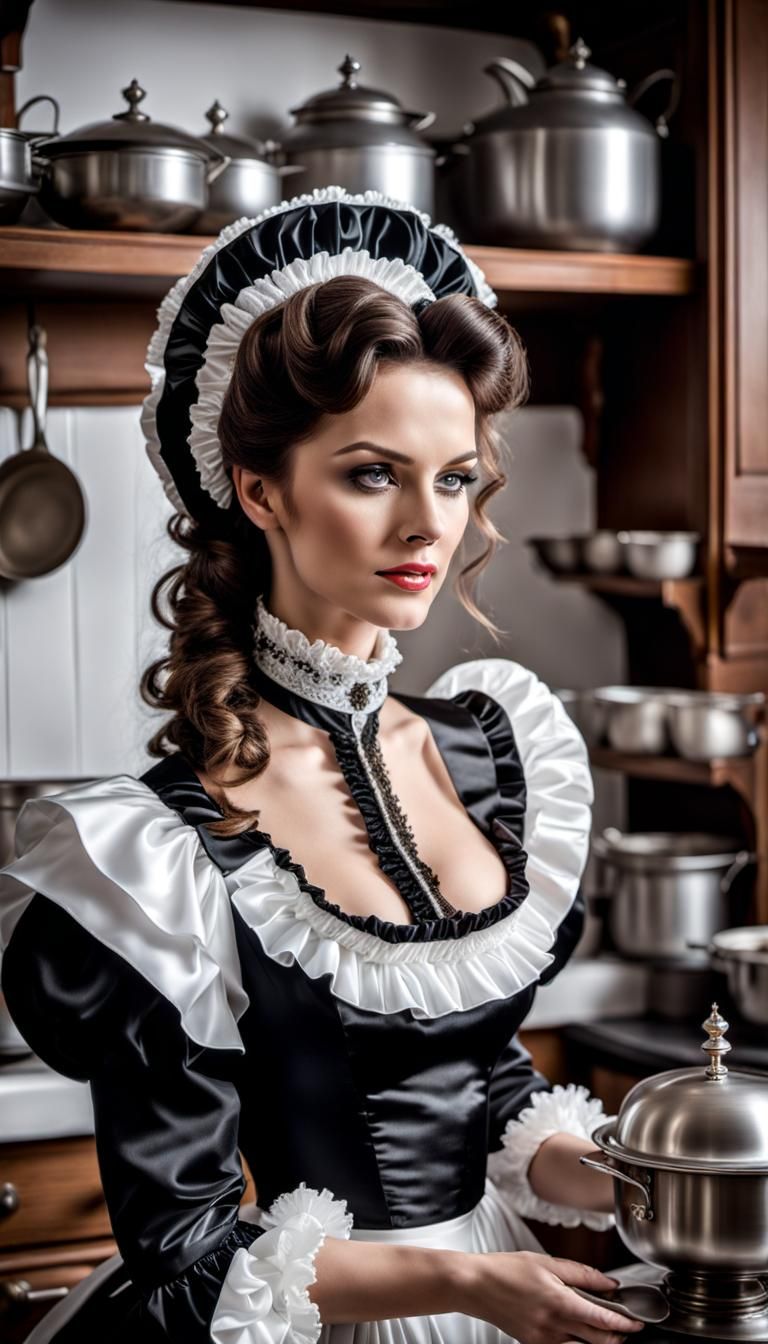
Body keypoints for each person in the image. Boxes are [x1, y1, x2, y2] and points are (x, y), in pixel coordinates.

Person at [0, 187, 641, 1344]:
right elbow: (186, 1259)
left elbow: (472, 1076)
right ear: (259, 491)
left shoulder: (492, 755)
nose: (427, 526)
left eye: (453, 478)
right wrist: (456, 1284)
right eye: (369, 473)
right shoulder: (164, 848)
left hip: (503, 1291)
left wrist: (637, 1181)